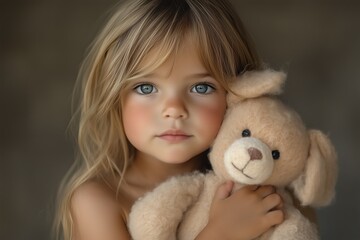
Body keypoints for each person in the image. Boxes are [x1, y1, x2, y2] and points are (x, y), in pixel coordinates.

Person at [54, 0, 315, 239]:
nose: (174, 109)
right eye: (146, 88)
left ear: (239, 93)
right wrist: (220, 234)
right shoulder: (98, 202)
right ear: (115, 97)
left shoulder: (266, 191)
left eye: (201, 88)